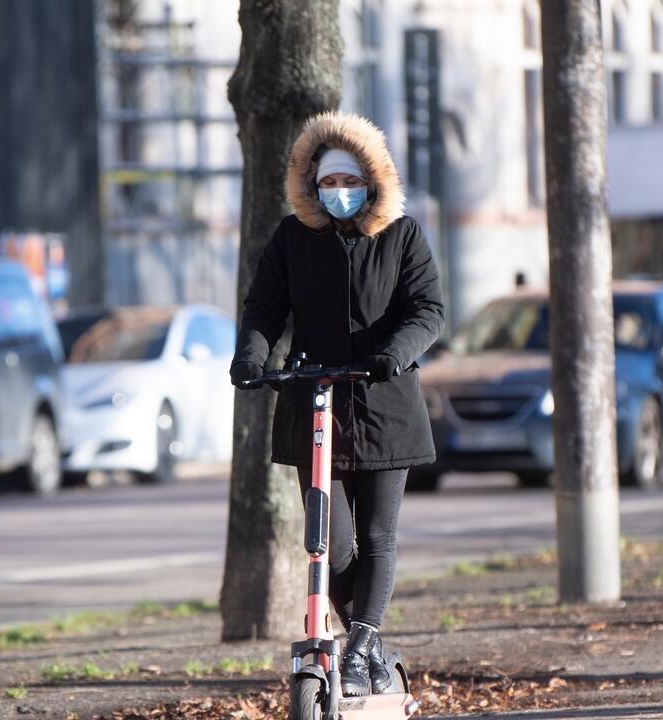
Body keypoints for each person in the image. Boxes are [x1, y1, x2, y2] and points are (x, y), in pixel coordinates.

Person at [229, 111, 444, 696]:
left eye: (350, 182)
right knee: (334, 541)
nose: (339, 193)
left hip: (384, 403)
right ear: (311, 186)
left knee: (378, 538)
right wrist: (251, 356)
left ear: (372, 182)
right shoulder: (292, 239)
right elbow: (265, 307)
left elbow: (428, 310)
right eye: (328, 183)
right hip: (315, 400)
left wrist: (395, 353)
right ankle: (368, 644)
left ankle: (360, 647)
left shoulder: (402, 236)